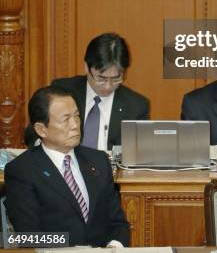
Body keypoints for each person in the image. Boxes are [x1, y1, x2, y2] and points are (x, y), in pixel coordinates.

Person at [5, 86, 130, 247]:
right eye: (65, 119)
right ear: (41, 129)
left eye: (77, 117)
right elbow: (28, 236)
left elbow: (118, 223)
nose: (75, 125)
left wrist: (114, 246)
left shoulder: (98, 161)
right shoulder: (23, 170)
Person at [25, 32, 149, 150]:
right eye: (101, 78)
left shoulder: (137, 106)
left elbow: (141, 153)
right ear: (86, 67)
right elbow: (33, 134)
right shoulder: (63, 91)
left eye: (116, 79)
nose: (107, 86)